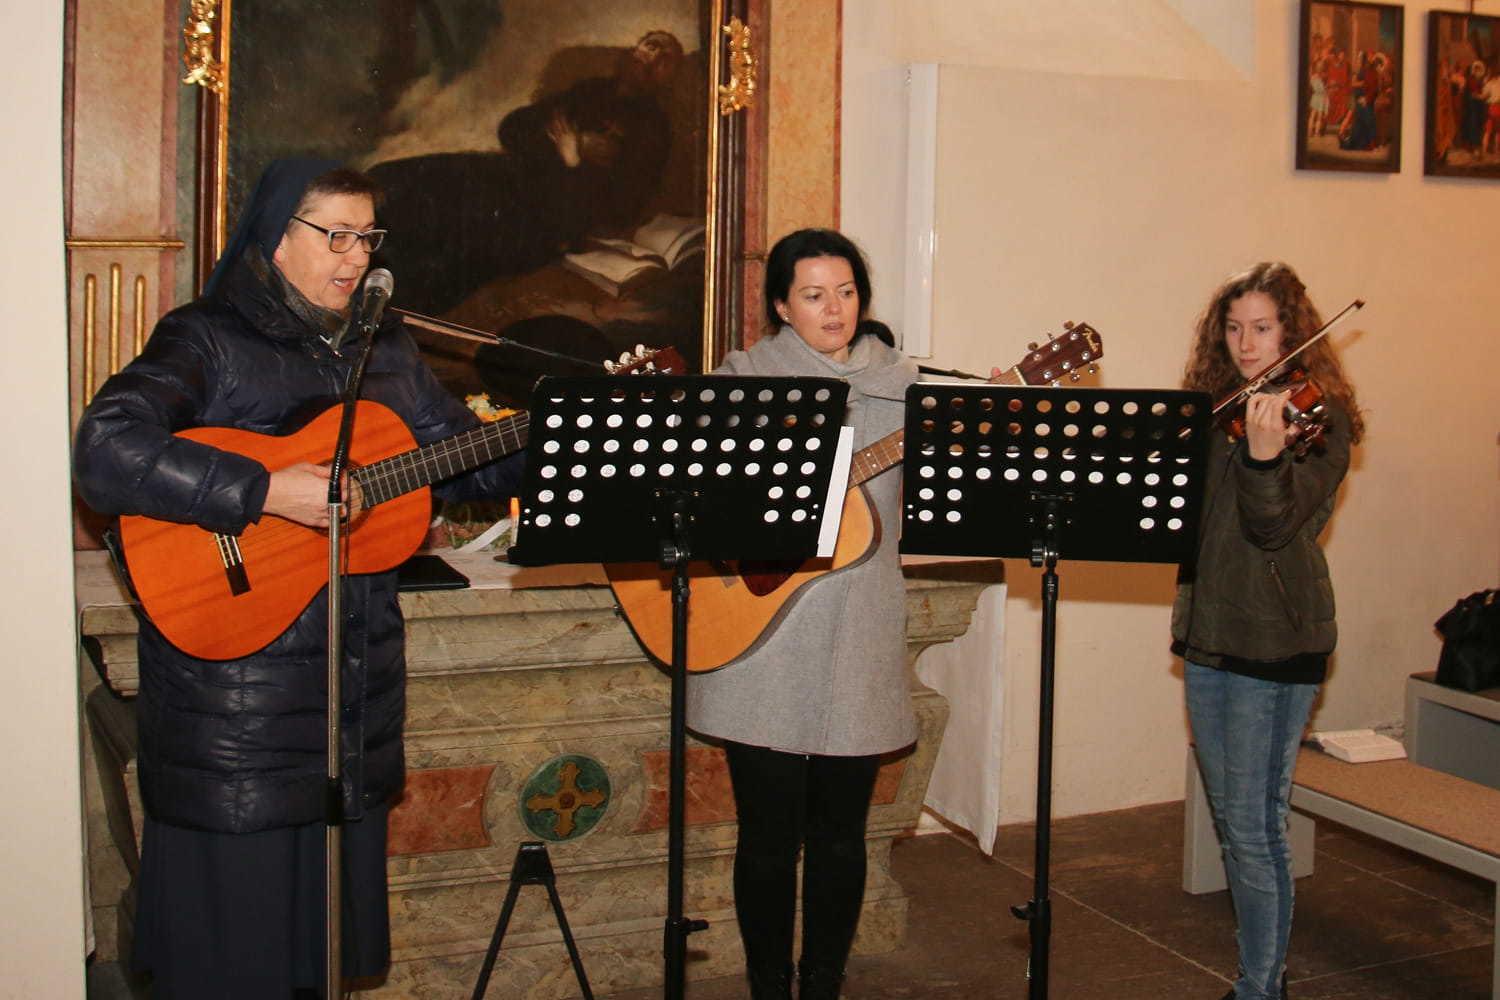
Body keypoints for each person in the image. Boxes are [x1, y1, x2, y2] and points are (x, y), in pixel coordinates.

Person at [73, 158, 525, 998]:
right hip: (237, 711)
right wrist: (265, 490)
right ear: (276, 238)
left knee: (320, 960)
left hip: (348, 708)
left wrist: (564, 435)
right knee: (233, 964)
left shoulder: (387, 349)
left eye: (368, 237)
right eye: (336, 236)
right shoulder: (207, 336)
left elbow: (458, 459)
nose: (357, 258)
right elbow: (106, 449)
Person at [683, 229, 917, 1000]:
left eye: (846, 292)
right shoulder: (742, 380)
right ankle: (768, 986)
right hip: (761, 636)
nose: (834, 309)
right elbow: (700, 502)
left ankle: (822, 984)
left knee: (842, 834)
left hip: (860, 630)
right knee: (768, 834)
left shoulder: (903, 385)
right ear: (782, 306)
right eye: (814, 295)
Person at [1172, 262, 1364, 1000]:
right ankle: (1261, 977)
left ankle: (1261, 987)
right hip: (1210, 634)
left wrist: (1263, 460)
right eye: (1234, 329)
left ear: (1293, 332)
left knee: (1256, 828)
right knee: (1232, 819)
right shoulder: (1217, 414)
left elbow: (1275, 527)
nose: (1247, 344)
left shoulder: (1321, 422)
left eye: (1262, 328)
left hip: (1276, 641)